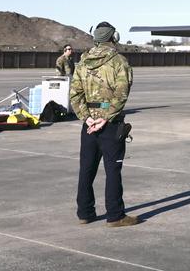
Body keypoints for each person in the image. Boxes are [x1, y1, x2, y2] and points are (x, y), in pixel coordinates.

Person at [69, 21, 137, 227]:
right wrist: (105, 117)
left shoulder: (82, 62)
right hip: (111, 124)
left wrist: (86, 117)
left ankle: (85, 213)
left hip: (88, 124)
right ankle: (115, 215)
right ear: (113, 37)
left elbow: (75, 94)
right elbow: (121, 93)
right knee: (112, 171)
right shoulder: (119, 61)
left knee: (86, 169)